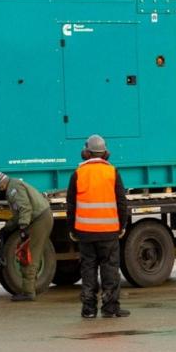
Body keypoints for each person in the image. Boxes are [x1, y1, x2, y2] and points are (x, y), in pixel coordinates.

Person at [66, 134, 130, 318]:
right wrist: (122, 225)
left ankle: (88, 309)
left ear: (86, 152)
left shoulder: (78, 173)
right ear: (105, 153)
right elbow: (121, 202)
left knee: (88, 269)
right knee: (110, 270)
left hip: (85, 232)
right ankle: (110, 308)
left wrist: (72, 229)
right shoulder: (112, 172)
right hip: (109, 232)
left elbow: (71, 205)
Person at [0, 171, 53, 301]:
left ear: (1, 185)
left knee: (29, 255)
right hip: (38, 218)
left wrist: (23, 228)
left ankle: (28, 293)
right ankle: (29, 289)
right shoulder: (13, 186)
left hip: (39, 220)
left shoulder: (14, 189)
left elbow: (25, 209)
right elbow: (18, 214)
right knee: (27, 253)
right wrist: (7, 227)